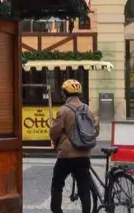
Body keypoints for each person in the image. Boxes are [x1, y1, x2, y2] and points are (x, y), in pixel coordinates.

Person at [48, 78, 97, 213]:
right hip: (84, 155)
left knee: (57, 184)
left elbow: (54, 132)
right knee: (84, 189)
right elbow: (95, 130)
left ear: (65, 94)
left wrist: (56, 142)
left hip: (66, 156)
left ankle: (57, 210)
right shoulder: (89, 110)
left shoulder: (63, 111)